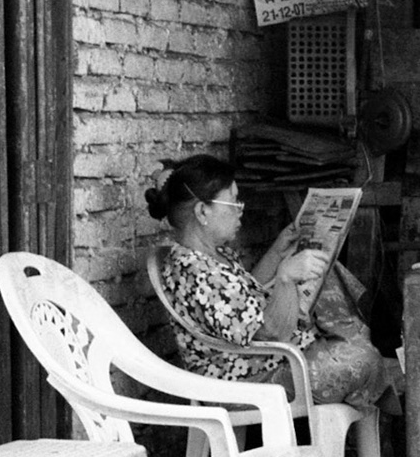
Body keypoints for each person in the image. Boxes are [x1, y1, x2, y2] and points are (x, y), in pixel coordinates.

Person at [146, 154, 398, 414]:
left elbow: (243, 297)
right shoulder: (196, 272)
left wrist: (277, 252)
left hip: (265, 363)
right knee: (363, 361)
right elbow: (272, 333)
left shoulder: (209, 257)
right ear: (202, 211)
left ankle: (370, 373)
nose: (240, 210)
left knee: (354, 336)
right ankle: (378, 386)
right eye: (233, 203)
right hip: (241, 382)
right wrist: (285, 278)